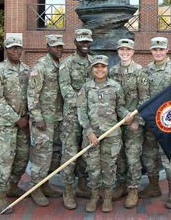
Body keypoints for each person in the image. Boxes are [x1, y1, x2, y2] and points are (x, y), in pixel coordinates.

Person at [77, 55, 130, 213]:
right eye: (96, 67)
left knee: (109, 167)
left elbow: (120, 108)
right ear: (92, 69)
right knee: (93, 168)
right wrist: (89, 131)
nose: (100, 70)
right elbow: (81, 112)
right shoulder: (86, 88)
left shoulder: (115, 87)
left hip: (111, 134)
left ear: (107, 68)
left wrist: (127, 115)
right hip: (92, 136)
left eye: (103, 66)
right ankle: (94, 197)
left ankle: (107, 197)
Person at [0, 35, 30, 214]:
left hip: (24, 123)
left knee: (22, 158)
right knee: (5, 161)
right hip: (6, 125)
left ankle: (13, 186)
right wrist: (16, 118)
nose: (16, 51)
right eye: (12, 48)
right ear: (6, 49)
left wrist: (28, 115)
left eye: (19, 48)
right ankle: (0, 195)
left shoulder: (27, 70)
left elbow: (31, 95)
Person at [140, 37, 171, 209]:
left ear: (167, 50)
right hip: (151, 122)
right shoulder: (146, 70)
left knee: (169, 156)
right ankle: (153, 186)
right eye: (155, 49)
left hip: (168, 123)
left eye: (161, 49)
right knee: (149, 155)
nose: (158, 52)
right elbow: (143, 95)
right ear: (151, 51)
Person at [109, 39, 149, 208]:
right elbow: (112, 97)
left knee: (133, 157)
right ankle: (121, 185)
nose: (124, 52)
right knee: (120, 157)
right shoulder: (112, 72)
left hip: (134, 123)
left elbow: (145, 98)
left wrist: (138, 121)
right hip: (117, 122)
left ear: (133, 52)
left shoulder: (140, 71)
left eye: (128, 50)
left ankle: (133, 189)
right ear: (118, 51)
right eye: (122, 49)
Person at [27, 34, 65, 207]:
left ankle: (46, 184)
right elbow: (32, 94)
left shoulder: (59, 65)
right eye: (55, 46)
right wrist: (37, 117)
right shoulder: (40, 66)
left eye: (60, 46)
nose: (58, 49)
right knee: (41, 154)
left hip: (57, 118)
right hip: (43, 120)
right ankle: (36, 188)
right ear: (47, 47)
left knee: (54, 153)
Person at [58, 28, 93, 209]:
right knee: (70, 153)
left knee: (86, 152)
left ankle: (82, 184)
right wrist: (84, 102)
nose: (85, 45)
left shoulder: (94, 63)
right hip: (72, 116)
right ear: (75, 42)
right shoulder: (67, 63)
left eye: (87, 41)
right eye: (82, 41)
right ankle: (68, 190)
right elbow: (65, 90)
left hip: (89, 117)